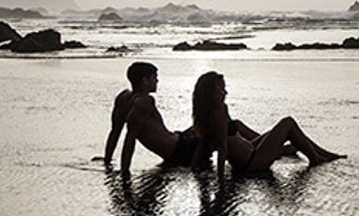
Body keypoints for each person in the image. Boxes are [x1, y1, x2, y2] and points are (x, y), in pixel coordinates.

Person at [191, 71, 344, 175]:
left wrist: (194, 166)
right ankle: (316, 157)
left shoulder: (212, 112)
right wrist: (221, 181)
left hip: (251, 150)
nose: (225, 93)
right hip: (252, 163)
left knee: (277, 131)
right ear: (210, 92)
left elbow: (203, 142)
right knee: (288, 123)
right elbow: (222, 147)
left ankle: (324, 154)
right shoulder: (216, 114)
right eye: (221, 89)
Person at [105, 62, 206, 170]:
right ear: (145, 80)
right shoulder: (144, 102)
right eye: (154, 77)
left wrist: (107, 159)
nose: (157, 81)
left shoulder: (123, 98)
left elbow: (115, 133)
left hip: (179, 140)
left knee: (203, 124)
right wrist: (125, 172)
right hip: (180, 151)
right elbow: (130, 139)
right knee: (223, 127)